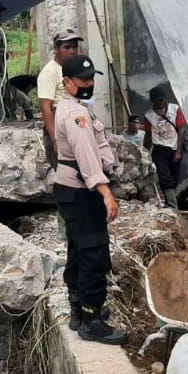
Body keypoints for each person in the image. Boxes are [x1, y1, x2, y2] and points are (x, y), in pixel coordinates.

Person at [53, 54, 126, 345]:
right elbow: (86, 157)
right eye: (83, 80)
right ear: (68, 82)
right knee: (94, 252)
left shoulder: (75, 108)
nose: (89, 84)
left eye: (91, 78)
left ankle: (78, 309)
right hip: (83, 192)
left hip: (72, 191)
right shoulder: (76, 115)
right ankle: (92, 319)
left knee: (78, 248)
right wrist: (105, 192)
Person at [37, 29, 81, 168]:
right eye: (67, 47)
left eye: (75, 47)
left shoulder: (72, 70)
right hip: (59, 130)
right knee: (65, 172)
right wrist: (55, 139)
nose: (72, 51)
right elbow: (45, 107)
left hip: (74, 126)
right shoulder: (50, 72)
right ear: (56, 49)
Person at [143, 85, 186, 209]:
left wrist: (178, 151)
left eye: (161, 100)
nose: (159, 103)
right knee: (164, 176)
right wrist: (145, 152)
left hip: (174, 148)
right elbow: (148, 135)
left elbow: (181, 130)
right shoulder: (149, 115)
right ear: (153, 101)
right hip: (159, 149)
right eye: (156, 101)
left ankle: (170, 201)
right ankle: (173, 206)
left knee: (174, 178)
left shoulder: (175, 109)